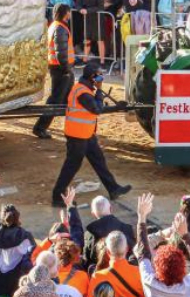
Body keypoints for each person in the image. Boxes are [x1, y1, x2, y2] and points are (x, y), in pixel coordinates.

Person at [49, 61, 132, 208]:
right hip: (77, 135)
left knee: (98, 160)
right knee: (71, 166)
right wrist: (100, 92)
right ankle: (57, 196)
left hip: (86, 134)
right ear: (92, 77)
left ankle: (113, 189)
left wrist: (115, 107)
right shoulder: (82, 92)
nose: (101, 78)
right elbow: (96, 109)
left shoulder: (85, 89)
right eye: (99, 75)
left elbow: (96, 107)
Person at [34, 3, 76, 140]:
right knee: (55, 100)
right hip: (62, 70)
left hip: (60, 68)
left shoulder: (55, 26)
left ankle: (72, 128)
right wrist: (67, 70)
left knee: (67, 99)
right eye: (69, 12)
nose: (70, 14)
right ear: (65, 13)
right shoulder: (60, 28)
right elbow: (61, 53)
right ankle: (40, 127)